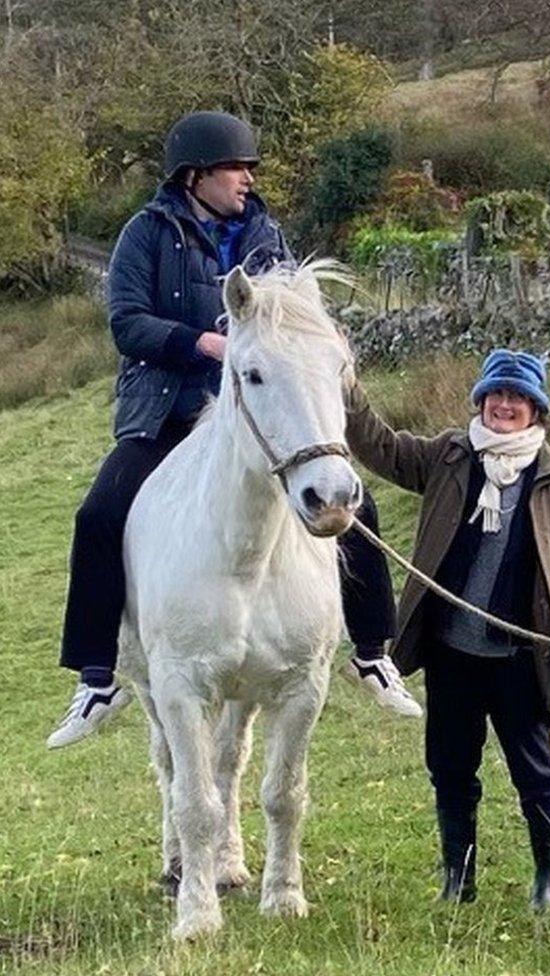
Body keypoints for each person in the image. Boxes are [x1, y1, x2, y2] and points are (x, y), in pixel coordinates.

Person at [47, 111, 419, 750]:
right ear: (196, 176)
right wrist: (204, 343)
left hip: (258, 413)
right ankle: (97, 674)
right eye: (235, 168)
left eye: (248, 168)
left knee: (354, 505)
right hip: (169, 407)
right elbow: (127, 324)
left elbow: (294, 313)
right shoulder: (145, 233)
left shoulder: (265, 234)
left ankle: (370, 650)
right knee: (101, 512)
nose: (247, 179)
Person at [344, 349, 550, 910]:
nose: (504, 405)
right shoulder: (449, 456)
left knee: (536, 774)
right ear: (480, 400)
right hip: (450, 654)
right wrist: (345, 382)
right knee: (451, 769)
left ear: (537, 411)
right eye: (495, 395)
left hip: (521, 661)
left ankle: (547, 882)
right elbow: (381, 446)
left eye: (517, 398)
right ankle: (458, 881)